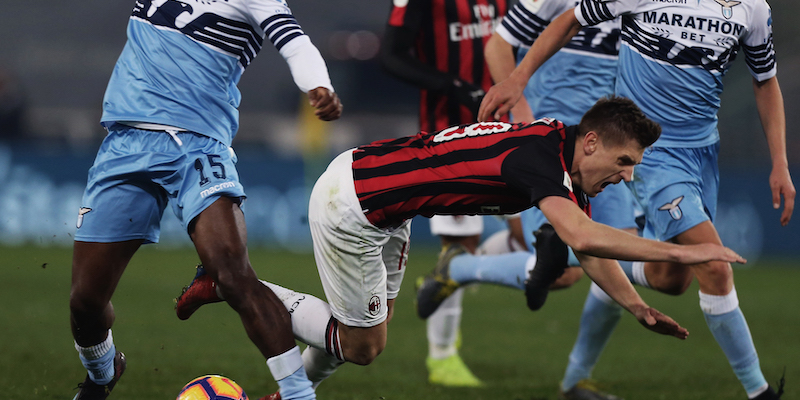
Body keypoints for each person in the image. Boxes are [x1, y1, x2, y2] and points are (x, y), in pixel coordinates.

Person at [175, 95, 752, 400]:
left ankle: (264, 350)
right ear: (593, 141)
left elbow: (588, 250)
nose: (627, 177)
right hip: (354, 203)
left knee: (360, 335)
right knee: (365, 346)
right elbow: (579, 238)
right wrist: (684, 254)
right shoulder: (541, 158)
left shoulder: (557, 153)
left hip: (386, 204)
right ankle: (233, 284)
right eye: (624, 163)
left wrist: (636, 306)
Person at [477, 1, 795, 398]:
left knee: (671, 279)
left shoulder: (752, 8)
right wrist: (519, 79)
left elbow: (765, 81)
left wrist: (779, 161)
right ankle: (761, 391)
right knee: (714, 265)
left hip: (703, 152)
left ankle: (573, 249)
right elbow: (568, 20)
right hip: (650, 154)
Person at [69, 1, 342, 399]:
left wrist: (319, 86)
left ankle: (299, 393)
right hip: (125, 144)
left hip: (197, 147)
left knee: (232, 274)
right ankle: (102, 373)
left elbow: (295, 43)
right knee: (85, 302)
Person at [380, 0, 509, 386]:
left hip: (510, 125)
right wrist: (457, 88)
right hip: (450, 136)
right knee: (463, 240)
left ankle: (448, 275)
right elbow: (391, 55)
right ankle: (443, 357)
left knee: (536, 249)